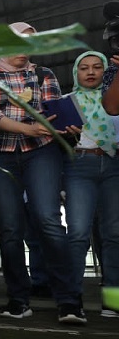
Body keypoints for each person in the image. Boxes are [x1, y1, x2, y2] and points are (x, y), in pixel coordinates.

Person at [0, 22, 82, 324]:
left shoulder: (43, 74)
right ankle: (18, 299)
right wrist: (26, 127)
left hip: (41, 151)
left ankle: (69, 300)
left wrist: (67, 127)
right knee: (10, 229)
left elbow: (55, 112)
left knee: (48, 220)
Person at [64, 51, 119, 317]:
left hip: (114, 166)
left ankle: (113, 301)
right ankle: (72, 302)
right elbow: (54, 144)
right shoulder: (66, 103)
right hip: (79, 166)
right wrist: (67, 136)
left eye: (98, 67)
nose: (91, 72)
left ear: (105, 71)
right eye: (84, 67)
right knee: (77, 234)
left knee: (114, 235)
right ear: (76, 72)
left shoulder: (116, 101)